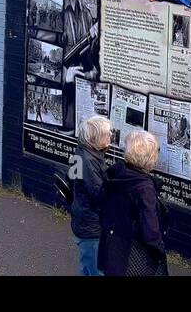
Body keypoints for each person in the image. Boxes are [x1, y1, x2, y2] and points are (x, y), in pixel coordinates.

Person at [99, 130, 169, 276]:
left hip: (111, 249)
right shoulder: (144, 189)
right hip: (134, 258)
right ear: (150, 158)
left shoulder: (115, 173)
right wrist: (159, 251)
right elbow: (150, 232)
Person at [71, 116, 112, 276]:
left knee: (87, 266)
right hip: (91, 225)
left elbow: (73, 178)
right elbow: (99, 194)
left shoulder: (82, 152)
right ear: (95, 137)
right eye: (107, 134)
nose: (110, 137)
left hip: (82, 217)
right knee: (95, 269)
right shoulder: (88, 160)